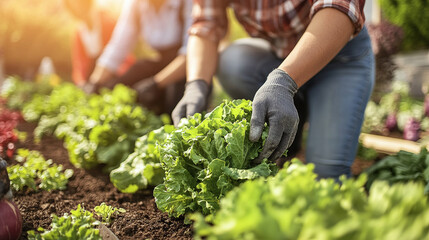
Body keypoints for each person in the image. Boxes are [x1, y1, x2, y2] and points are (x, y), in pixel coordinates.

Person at [172, 0, 374, 179]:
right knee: (232, 62)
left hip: (340, 59)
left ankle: (302, 104)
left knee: (326, 175)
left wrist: (283, 83)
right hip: (281, 57)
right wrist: (196, 85)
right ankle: (294, 118)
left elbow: (338, 6)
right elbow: (207, 24)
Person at [87, 0, 193, 115]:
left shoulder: (186, 3)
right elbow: (118, 46)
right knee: (122, 82)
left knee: (173, 101)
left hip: (187, 68)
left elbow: (190, 54)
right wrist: (95, 82)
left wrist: (155, 84)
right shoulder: (136, 4)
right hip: (160, 62)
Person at [63, 0, 135, 87]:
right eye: (73, 7)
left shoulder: (107, 22)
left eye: (78, 4)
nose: (77, 9)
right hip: (92, 76)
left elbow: (118, 54)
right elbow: (79, 64)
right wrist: (82, 83)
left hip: (113, 71)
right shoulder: (79, 32)